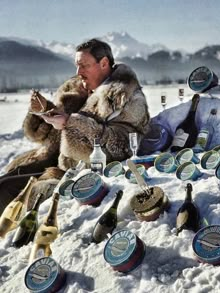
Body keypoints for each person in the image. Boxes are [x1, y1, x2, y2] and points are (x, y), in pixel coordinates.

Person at [0, 38, 150, 214]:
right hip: (51, 158)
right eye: (77, 65)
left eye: (84, 65)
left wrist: (71, 123)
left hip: (75, 171)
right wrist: (44, 110)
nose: (78, 72)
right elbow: (46, 134)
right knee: (5, 180)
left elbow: (122, 145)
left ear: (104, 63)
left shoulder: (128, 98)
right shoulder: (78, 89)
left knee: (5, 191)